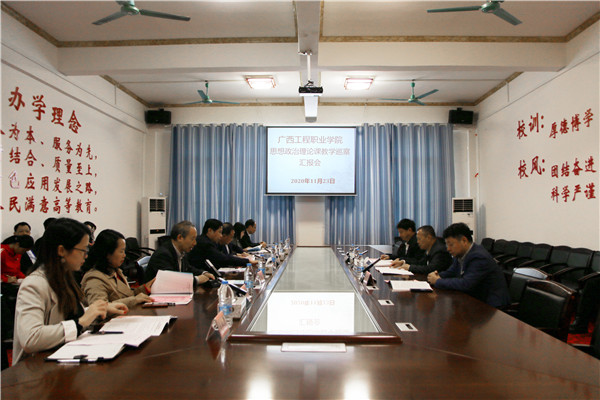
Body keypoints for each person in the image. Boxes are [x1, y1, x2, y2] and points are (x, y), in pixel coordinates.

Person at [12, 218, 128, 364]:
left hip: (62, 359)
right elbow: (31, 338)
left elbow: (69, 316)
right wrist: (81, 322)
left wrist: (98, 310)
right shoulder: (34, 284)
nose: (86, 255)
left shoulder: (64, 277)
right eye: (83, 250)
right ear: (61, 250)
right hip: (35, 368)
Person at [427, 223, 510, 308]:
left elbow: (466, 284)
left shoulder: (479, 257)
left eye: (451, 244)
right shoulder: (460, 254)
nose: (448, 249)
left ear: (464, 240)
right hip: (475, 299)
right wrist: (436, 275)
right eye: (447, 245)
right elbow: (451, 272)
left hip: (492, 306)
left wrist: (437, 281)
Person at [81, 229, 154, 308]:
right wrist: (134, 300)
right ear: (108, 253)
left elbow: (127, 295)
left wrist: (144, 289)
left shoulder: (115, 271)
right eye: (121, 251)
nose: (124, 255)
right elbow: (99, 307)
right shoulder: (95, 278)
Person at [144, 221, 214, 284]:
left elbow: (188, 268)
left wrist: (204, 273)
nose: (195, 243)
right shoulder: (163, 254)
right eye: (192, 239)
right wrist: (197, 279)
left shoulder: (182, 252)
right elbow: (171, 280)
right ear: (180, 237)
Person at [188, 219, 256, 271]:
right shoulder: (205, 243)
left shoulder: (209, 241)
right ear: (210, 230)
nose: (221, 236)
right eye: (219, 232)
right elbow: (223, 258)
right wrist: (248, 262)